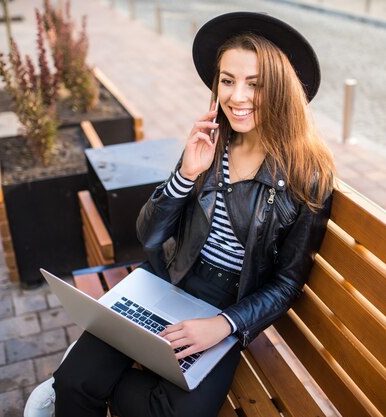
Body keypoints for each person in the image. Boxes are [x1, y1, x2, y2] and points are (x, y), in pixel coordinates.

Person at [24, 11, 336, 417]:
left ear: (281, 89)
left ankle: (86, 369)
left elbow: (288, 282)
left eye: (254, 84)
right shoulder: (210, 142)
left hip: (227, 303)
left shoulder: (307, 175)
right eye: (227, 80)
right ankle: (78, 373)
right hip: (165, 277)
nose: (236, 97)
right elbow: (149, 235)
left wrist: (224, 325)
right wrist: (186, 174)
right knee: (73, 384)